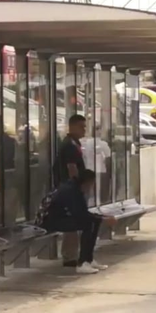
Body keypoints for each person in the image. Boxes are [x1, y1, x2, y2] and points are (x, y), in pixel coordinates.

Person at [37, 169, 109, 275]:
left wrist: (100, 218)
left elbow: (82, 212)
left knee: (93, 222)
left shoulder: (75, 188)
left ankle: (88, 259)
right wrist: (102, 218)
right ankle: (82, 263)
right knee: (88, 224)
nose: (92, 187)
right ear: (87, 182)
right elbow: (80, 214)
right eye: (92, 183)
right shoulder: (71, 191)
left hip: (59, 217)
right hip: (49, 221)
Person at [54, 114, 95, 268]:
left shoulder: (74, 143)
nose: (84, 130)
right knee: (74, 221)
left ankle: (73, 254)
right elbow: (72, 168)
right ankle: (70, 256)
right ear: (72, 127)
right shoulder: (70, 145)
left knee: (77, 222)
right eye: (81, 127)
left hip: (71, 189)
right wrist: (78, 185)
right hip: (70, 191)